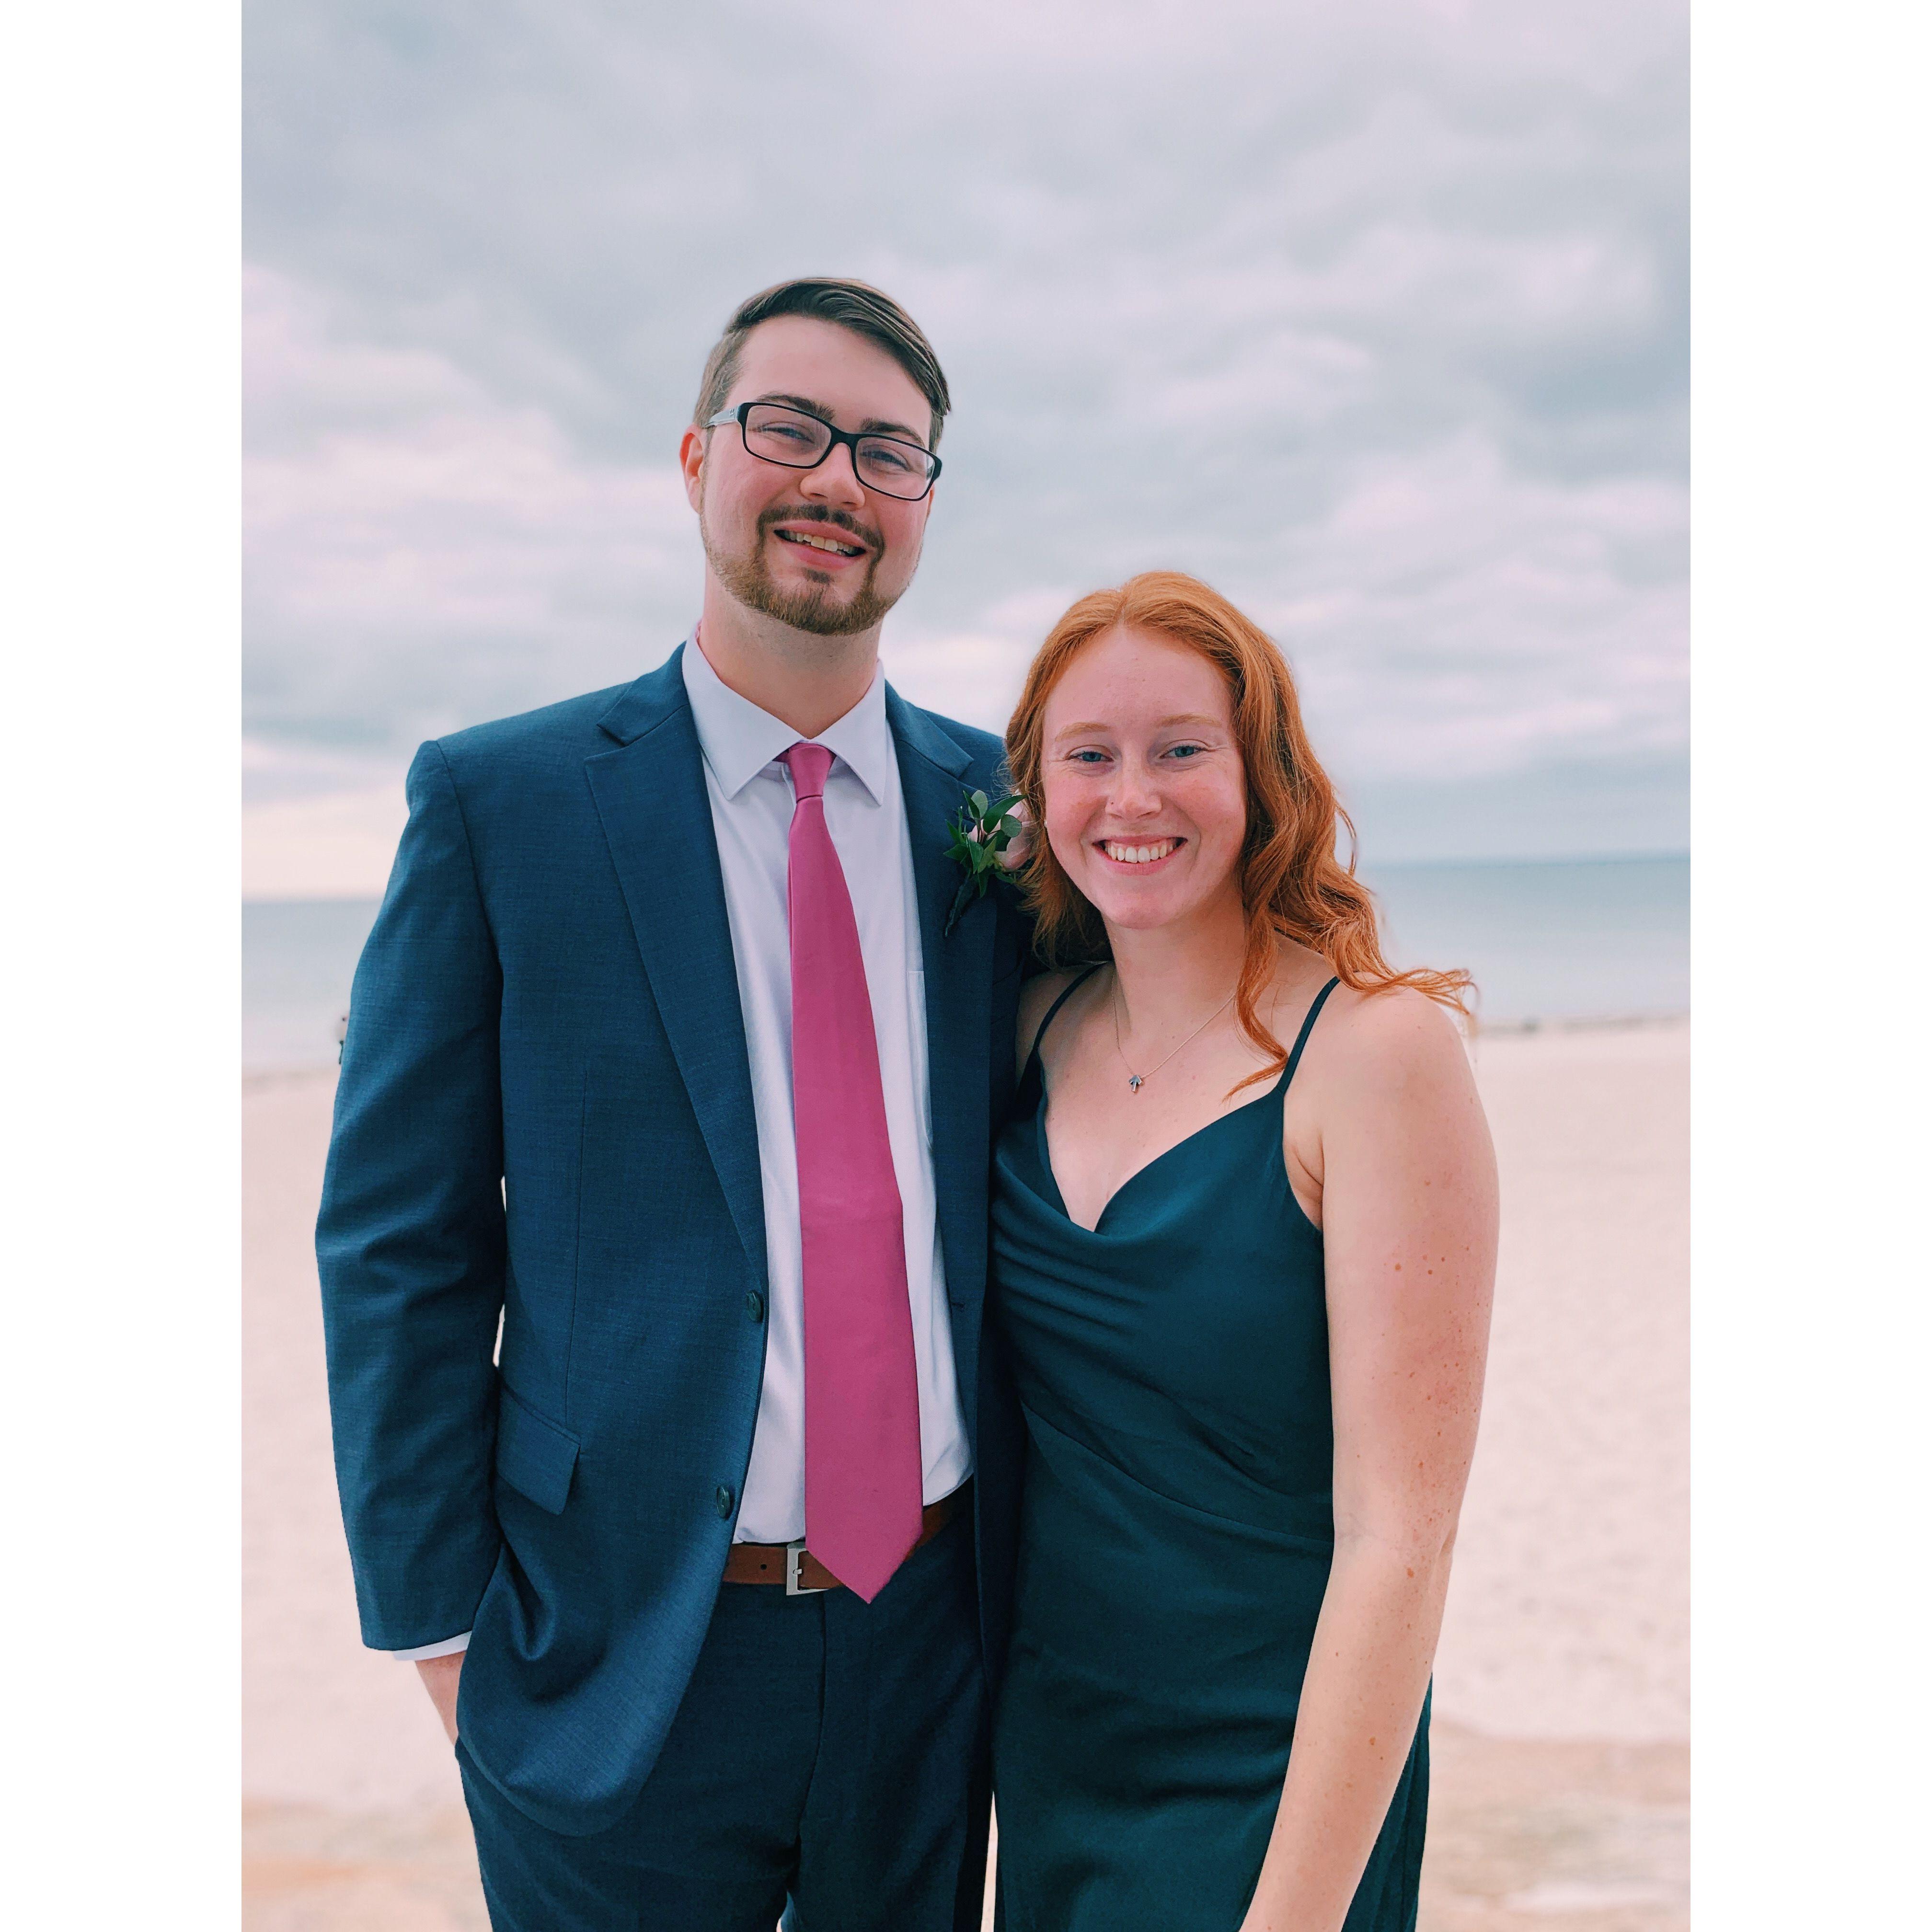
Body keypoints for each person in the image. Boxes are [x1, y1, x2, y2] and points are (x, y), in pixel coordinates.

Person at [315, 277, 1033, 1932]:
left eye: (889, 452)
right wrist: (445, 1643)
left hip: (933, 1639)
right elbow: (399, 1242)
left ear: (926, 505)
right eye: (790, 428)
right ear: (699, 456)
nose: (836, 479)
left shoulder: (1005, 815)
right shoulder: (503, 803)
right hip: (614, 1648)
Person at [988, 572, 1498, 1932]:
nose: (1132, 797)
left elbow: (1406, 1534)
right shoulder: (1028, 1029)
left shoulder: (1377, 1056)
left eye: (1180, 750)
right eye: (1088, 757)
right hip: (1055, 1752)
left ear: (1261, 772)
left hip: (1279, 1769)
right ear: (1037, 795)